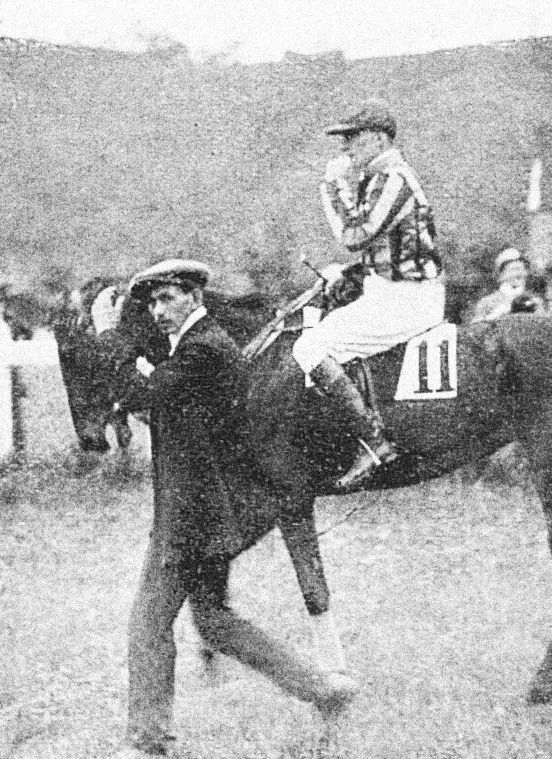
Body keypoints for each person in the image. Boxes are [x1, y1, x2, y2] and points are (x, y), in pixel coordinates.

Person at [91, 260, 357, 757]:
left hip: (187, 520)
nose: (158, 310)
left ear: (194, 296)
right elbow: (165, 409)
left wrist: (108, 333)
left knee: (148, 625)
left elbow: (134, 393)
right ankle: (325, 691)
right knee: (212, 619)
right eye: (151, 302)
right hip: (208, 514)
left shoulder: (204, 350)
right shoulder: (197, 349)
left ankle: (148, 743)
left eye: (167, 297)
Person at [291, 100, 445, 491]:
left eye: (352, 139)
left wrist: (331, 187)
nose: (345, 148)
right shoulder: (379, 178)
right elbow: (380, 248)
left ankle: (375, 442)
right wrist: (349, 272)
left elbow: (354, 235)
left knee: (308, 348)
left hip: (407, 299)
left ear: (378, 138)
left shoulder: (395, 177)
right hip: (390, 290)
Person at [471, 247, 542, 322]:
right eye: (512, 270)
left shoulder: (535, 301)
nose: (518, 274)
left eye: (521, 269)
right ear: (502, 275)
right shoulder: (487, 302)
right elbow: (476, 328)